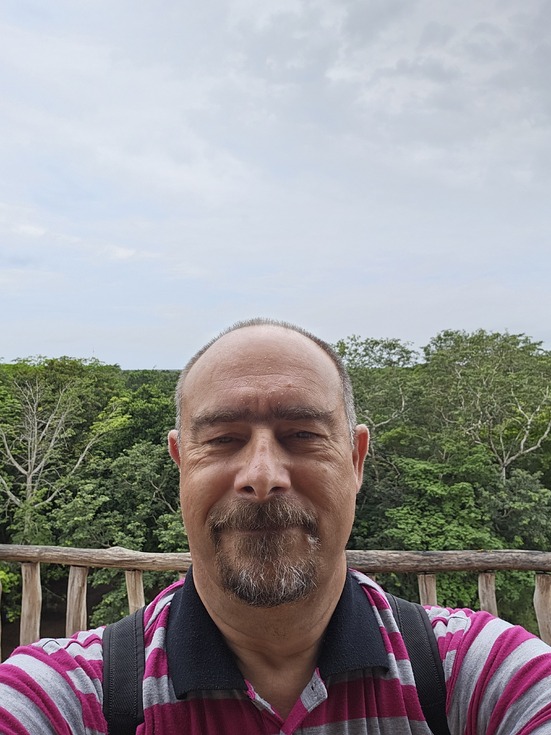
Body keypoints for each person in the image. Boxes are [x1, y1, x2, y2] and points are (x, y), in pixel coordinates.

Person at [1, 317, 550, 734]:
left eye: (302, 435)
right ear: (181, 463)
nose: (262, 477)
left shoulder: (474, 670)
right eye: (223, 439)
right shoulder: (72, 692)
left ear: (356, 460)